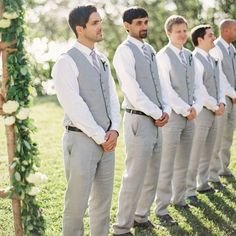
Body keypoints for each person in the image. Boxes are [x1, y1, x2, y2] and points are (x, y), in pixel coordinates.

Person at [52, 5, 120, 236]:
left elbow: (112, 96)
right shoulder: (65, 62)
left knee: (102, 203)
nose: (101, 26)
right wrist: (101, 137)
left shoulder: (102, 59)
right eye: (95, 23)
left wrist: (115, 131)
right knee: (76, 205)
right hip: (81, 140)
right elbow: (74, 106)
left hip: (108, 141)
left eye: (100, 21)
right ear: (80, 29)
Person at [112, 7, 170, 236]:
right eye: (138, 23)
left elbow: (160, 84)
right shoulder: (124, 51)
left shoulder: (150, 49)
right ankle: (121, 227)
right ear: (127, 25)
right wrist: (157, 113)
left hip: (157, 119)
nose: (144, 26)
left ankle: (141, 216)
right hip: (138, 119)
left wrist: (165, 109)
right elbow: (132, 90)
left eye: (146, 22)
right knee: (134, 174)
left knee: (153, 171)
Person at [155, 15, 203, 225]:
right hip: (173, 117)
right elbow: (166, 90)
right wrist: (185, 109)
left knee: (184, 159)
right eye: (178, 31)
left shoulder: (191, 56)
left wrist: (196, 108)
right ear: (168, 33)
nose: (182, 34)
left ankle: (179, 198)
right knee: (167, 163)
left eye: (185, 30)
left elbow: (198, 86)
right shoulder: (163, 56)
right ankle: (161, 208)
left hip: (191, 115)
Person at [186, 25, 226, 207]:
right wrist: (214, 105)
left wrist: (222, 102)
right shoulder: (194, 59)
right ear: (200, 39)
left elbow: (220, 83)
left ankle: (202, 183)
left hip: (215, 110)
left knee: (209, 149)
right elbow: (198, 89)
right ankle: (188, 189)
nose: (214, 38)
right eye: (210, 35)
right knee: (195, 150)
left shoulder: (213, 58)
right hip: (202, 111)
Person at [209, 19, 236, 180]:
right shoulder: (214, 47)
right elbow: (220, 77)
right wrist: (233, 95)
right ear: (226, 31)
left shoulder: (232, 48)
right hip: (223, 99)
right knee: (217, 137)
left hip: (233, 100)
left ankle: (223, 168)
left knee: (228, 136)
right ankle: (213, 172)